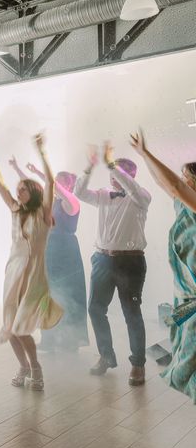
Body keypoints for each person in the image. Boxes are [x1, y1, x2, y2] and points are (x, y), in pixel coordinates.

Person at [0, 134, 64, 391]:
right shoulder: (14, 209)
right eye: (17, 188)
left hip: (33, 274)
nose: (17, 190)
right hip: (13, 270)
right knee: (10, 326)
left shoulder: (43, 213)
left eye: (23, 187)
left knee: (21, 326)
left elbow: (51, 182)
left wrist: (42, 151)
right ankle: (22, 366)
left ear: (33, 192)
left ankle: (35, 367)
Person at [75, 141, 151, 386]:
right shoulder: (103, 195)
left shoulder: (141, 196)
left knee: (132, 313)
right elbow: (78, 193)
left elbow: (132, 188)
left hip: (131, 262)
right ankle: (106, 356)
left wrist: (112, 164)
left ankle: (138, 365)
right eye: (111, 173)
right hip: (102, 259)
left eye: (117, 173)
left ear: (130, 176)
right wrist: (90, 165)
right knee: (95, 309)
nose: (113, 178)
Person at [130, 130, 196, 401]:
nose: (181, 181)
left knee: (189, 353)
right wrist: (143, 158)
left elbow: (175, 187)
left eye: (186, 176)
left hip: (194, 295)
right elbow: (165, 184)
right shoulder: (183, 204)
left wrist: (146, 153)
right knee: (175, 329)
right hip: (185, 293)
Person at [9, 159, 88, 352]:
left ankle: (71, 341)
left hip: (67, 253)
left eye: (59, 182)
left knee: (68, 295)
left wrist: (40, 172)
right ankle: (50, 338)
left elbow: (55, 188)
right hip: (48, 250)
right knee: (47, 294)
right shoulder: (47, 203)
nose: (53, 185)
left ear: (68, 186)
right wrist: (17, 168)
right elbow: (32, 190)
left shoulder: (72, 203)